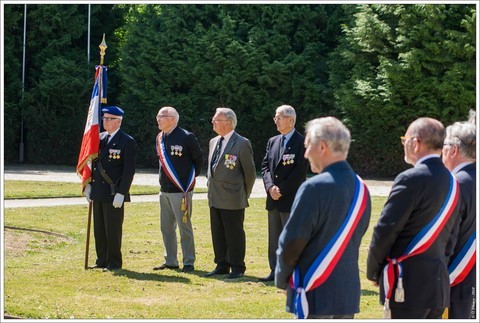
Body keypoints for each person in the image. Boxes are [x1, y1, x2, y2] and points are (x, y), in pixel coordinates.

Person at [275, 117, 371, 319]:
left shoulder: (314, 187)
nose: (306, 153)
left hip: (315, 290)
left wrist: (283, 278)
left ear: (323, 147)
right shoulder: (362, 188)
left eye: (308, 146)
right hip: (347, 292)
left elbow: (292, 241)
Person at [366, 117, 460, 319]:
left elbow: (386, 229)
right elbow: (452, 237)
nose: (404, 144)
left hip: (407, 284)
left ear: (415, 143)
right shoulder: (453, 181)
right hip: (438, 283)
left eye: (404, 139)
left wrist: (374, 271)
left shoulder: (410, 178)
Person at [205, 107, 256, 279]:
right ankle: (221, 264)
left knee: (234, 233)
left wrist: (243, 194)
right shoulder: (214, 141)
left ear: (227, 123)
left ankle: (237, 266)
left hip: (233, 197)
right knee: (217, 232)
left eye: (216, 120)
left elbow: (250, 174)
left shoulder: (242, 143)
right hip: (214, 196)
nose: (213, 122)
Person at [259, 105, 309, 282]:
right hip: (273, 198)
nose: (276, 120)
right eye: (275, 117)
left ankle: (291, 273)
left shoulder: (302, 142)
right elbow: (265, 167)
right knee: (274, 239)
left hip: (290, 198)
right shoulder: (273, 141)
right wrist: (270, 187)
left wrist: (281, 189)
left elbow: (300, 171)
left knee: (290, 238)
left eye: (279, 117)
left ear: (291, 120)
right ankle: (275, 271)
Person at [84, 105, 136, 272]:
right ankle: (101, 260)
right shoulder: (98, 138)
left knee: (112, 229)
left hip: (114, 192)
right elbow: (92, 165)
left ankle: (114, 262)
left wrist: (122, 193)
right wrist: (88, 185)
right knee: (99, 228)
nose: (105, 121)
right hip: (99, 190)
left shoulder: (127, 141)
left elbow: (128, 171)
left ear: (118, 121)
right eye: (104, 118)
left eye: (109, 119)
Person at [153, 106, 203, 273]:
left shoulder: (186, 137)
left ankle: (189, 261)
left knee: (184, 227)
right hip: (164, 190)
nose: (158, 119)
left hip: (181, 191)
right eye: (158, 116)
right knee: (166, 227)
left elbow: (198, 160)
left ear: (172, 119)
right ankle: (171, 260)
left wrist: (187, 183)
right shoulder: (160, 138)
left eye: (162, 116)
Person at [442, 120, 476, 319]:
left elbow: (446, 237)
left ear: (453, 150)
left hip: (457, 280)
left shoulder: (455, 184)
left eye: (444, 146)